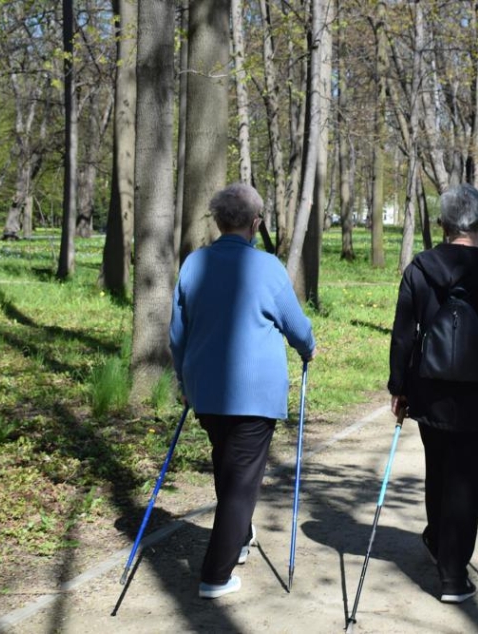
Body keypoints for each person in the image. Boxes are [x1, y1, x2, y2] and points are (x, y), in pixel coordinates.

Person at [387, 184, 478, 604]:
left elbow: (402, 336)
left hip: (429, 392)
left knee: (439, 471)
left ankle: (438, 540)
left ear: (443, 225)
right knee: (468, 481)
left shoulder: (419, 268)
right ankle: (452, 575)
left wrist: (398, 387)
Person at [169, 183, 315, 600]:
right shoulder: (267, 267)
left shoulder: (195, 264)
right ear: (255, 223)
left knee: (228, 467)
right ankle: (216, 573)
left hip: (207, 390)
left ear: (218, 221)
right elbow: (296, 325)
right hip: (253, 393)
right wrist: (308, 347)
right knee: (241, 482)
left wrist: (183, 379)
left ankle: (241, 533)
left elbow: (178, 334)